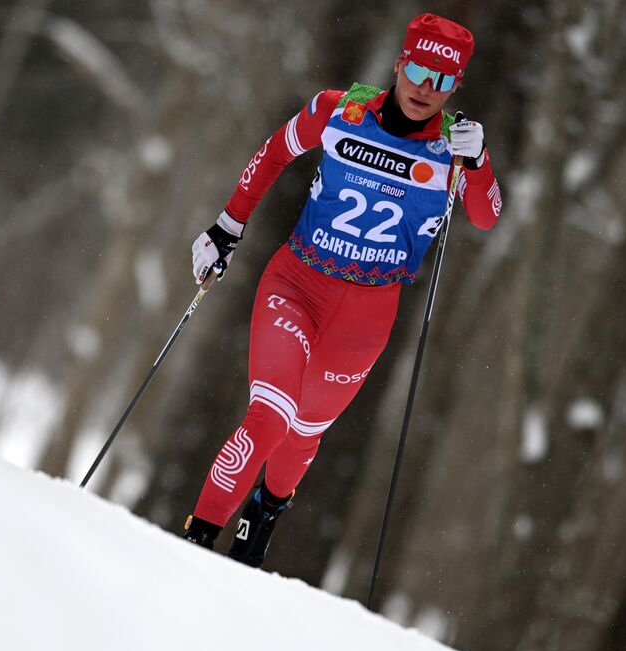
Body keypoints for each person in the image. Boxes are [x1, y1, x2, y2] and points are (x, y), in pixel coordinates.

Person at [180, 12, 503, 567]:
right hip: (297, 282)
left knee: (303, 435)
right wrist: (228, 225)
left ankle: (261, 519)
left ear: (456, 88)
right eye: (421, 70)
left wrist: (478, 164)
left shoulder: (456, 147)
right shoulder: (340, 110)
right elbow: (275, 151)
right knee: (269, 417)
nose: (428, 88)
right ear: (401, 64)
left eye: (444, 80)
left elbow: (487, 215)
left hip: (367, 317)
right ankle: (194, 542)